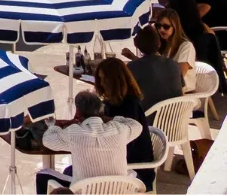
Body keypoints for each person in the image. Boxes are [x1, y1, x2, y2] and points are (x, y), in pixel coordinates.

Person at [38, 90, 139, 194]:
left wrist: (55, 126)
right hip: (118, 191)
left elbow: (47, 140)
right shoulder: (119, 130)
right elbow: (136, 125)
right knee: (69, 170)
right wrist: (106, 118)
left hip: (84, 191)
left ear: (77, 112)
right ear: (100, 110)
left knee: (42, 175)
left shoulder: (74, 132)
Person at [92, 58, 156, 187]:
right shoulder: (113, 102)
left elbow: (125, 144)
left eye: (106, 79)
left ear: (117, 81)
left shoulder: (129, 104)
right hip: (120, 162)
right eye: (101, 79)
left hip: (134, 170)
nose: (103, 83)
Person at [125, 25, 182, 108]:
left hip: (148, 117)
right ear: (159, 43)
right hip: (176, 116)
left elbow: (125, 93)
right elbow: (181, 92)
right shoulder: (174, 64)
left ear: (136, 45)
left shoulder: (133, 67)